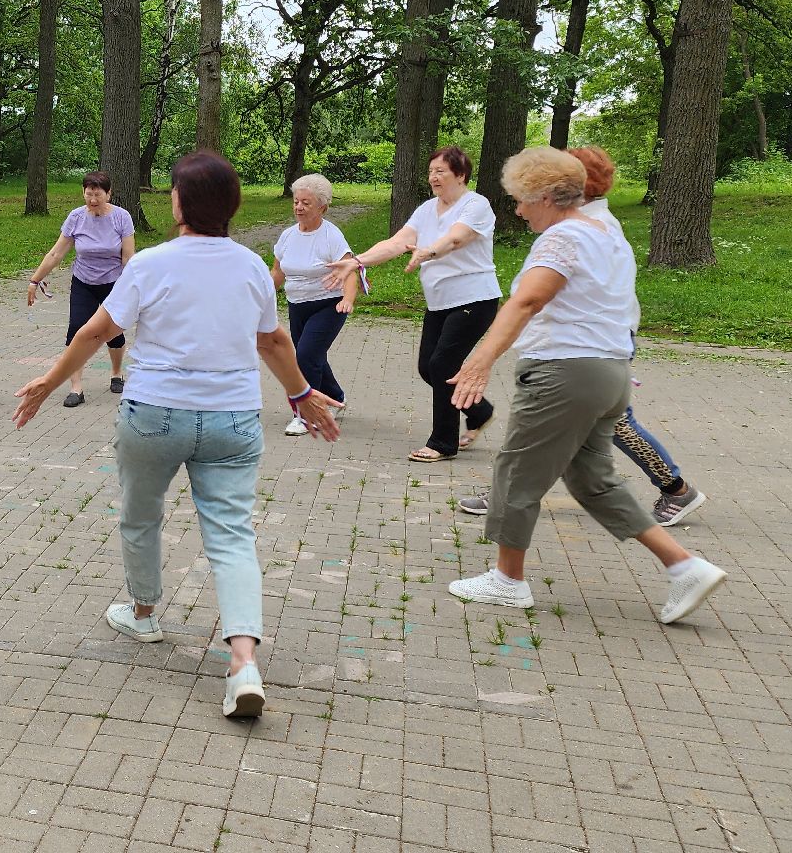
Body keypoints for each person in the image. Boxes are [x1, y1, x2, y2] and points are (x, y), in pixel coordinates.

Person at [14, 152, 341, 719]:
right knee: (233, 535)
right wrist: (299, 395)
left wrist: (50, 381)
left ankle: (144, 615)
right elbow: (275, 344)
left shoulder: (151, 264)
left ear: (182, 203)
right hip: (233, 419)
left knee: (141, 515)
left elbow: (97, 332)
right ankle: (243, 662)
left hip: (154, 414)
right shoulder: (249, 267)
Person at [444, 147, 727, 624]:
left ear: (547, 197)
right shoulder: (605, 232)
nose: (516, 209)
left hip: (564, 374)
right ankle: (686, 566)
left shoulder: (563, 238)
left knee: (516, 470)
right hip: (608, 373)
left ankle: (507, 580)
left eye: (520, 199)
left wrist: (479, 360)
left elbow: (527, 300)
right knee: (591, 479)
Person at [327, 145, 499, 461]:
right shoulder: (425, 209)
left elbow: (457, 238)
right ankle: (479, 411)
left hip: (475, 298)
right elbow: (395, 243)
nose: (433, 177)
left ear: (460, 175)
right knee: (427, 368)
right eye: (431, 171)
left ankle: (442, 443)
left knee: (442, 365)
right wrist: (358, 261)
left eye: (440, 171)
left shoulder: (476, 205)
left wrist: (428, 251)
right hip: (440, 301)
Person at [25, 171, 135, 407]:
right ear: (83, 193)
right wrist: (35, 280)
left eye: (98, 194)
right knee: (77, 329)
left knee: (113, 332)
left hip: (114, 282)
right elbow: (56, 253)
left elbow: (128, 258)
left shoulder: (121, 217)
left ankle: (116, 373)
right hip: (83, 281)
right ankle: (76, 388)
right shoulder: (75, 217)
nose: (93, 199)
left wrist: (132, 288)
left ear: (108, 194)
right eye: (88, 194)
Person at [271, 174, 359, 437]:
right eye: (296, 202)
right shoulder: (287, 236)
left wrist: (348, 299)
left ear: (323, 207)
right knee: (313, 355)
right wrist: (258, 296)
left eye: (306, 203)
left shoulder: (331, 235)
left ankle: (305, 415)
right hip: (297, 305)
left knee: (306, 355)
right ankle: (334, 396)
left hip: (328, 304)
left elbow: (351, 270)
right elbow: (277, 272)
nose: (298, 207)